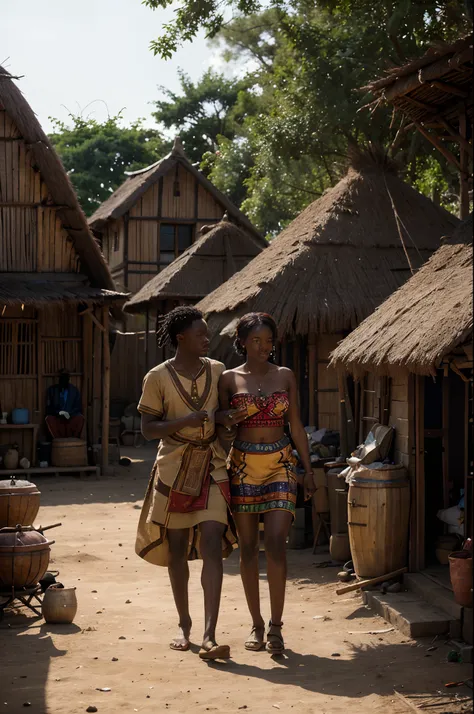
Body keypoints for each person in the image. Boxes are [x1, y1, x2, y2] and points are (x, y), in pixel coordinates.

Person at [135, 306, 243, 660]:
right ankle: (185, 626)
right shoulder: (157, 377)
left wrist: (228, 417)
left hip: (212, 466)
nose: (207, 339)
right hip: (174, 470)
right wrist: (181, 422)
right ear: (181, 337)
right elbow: (148, 430)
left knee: (212, 539)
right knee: (178, 549)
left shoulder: (217, 370)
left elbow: (222, 415)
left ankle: (210, 636)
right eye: (200, 334)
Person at [218, 312, 315, 655]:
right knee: (247, 549)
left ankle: (276, 626)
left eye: (269, 341)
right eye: (256, 340)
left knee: (275, 542)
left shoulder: (285, 376)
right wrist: (228, 417)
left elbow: (297, 425)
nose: (263, 347)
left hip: (281, 465)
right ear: (242, 342)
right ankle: (256, 624)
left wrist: (309, 468)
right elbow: (219, 426)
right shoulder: (228, 379)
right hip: (243, 467)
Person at [45, 370, 84, 439]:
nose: (63, 380)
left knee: (80, 418)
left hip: (70, 417)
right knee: (49, 418)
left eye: (65, 378)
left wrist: (69, 413)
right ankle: (58, 441)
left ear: (68, 379)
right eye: (62, 378)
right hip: (57, 417)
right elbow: (48, 407)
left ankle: (72, 440)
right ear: (59, 379)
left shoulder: (74, 390)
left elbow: (78, 407)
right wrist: (59, 412)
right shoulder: (52, 390)